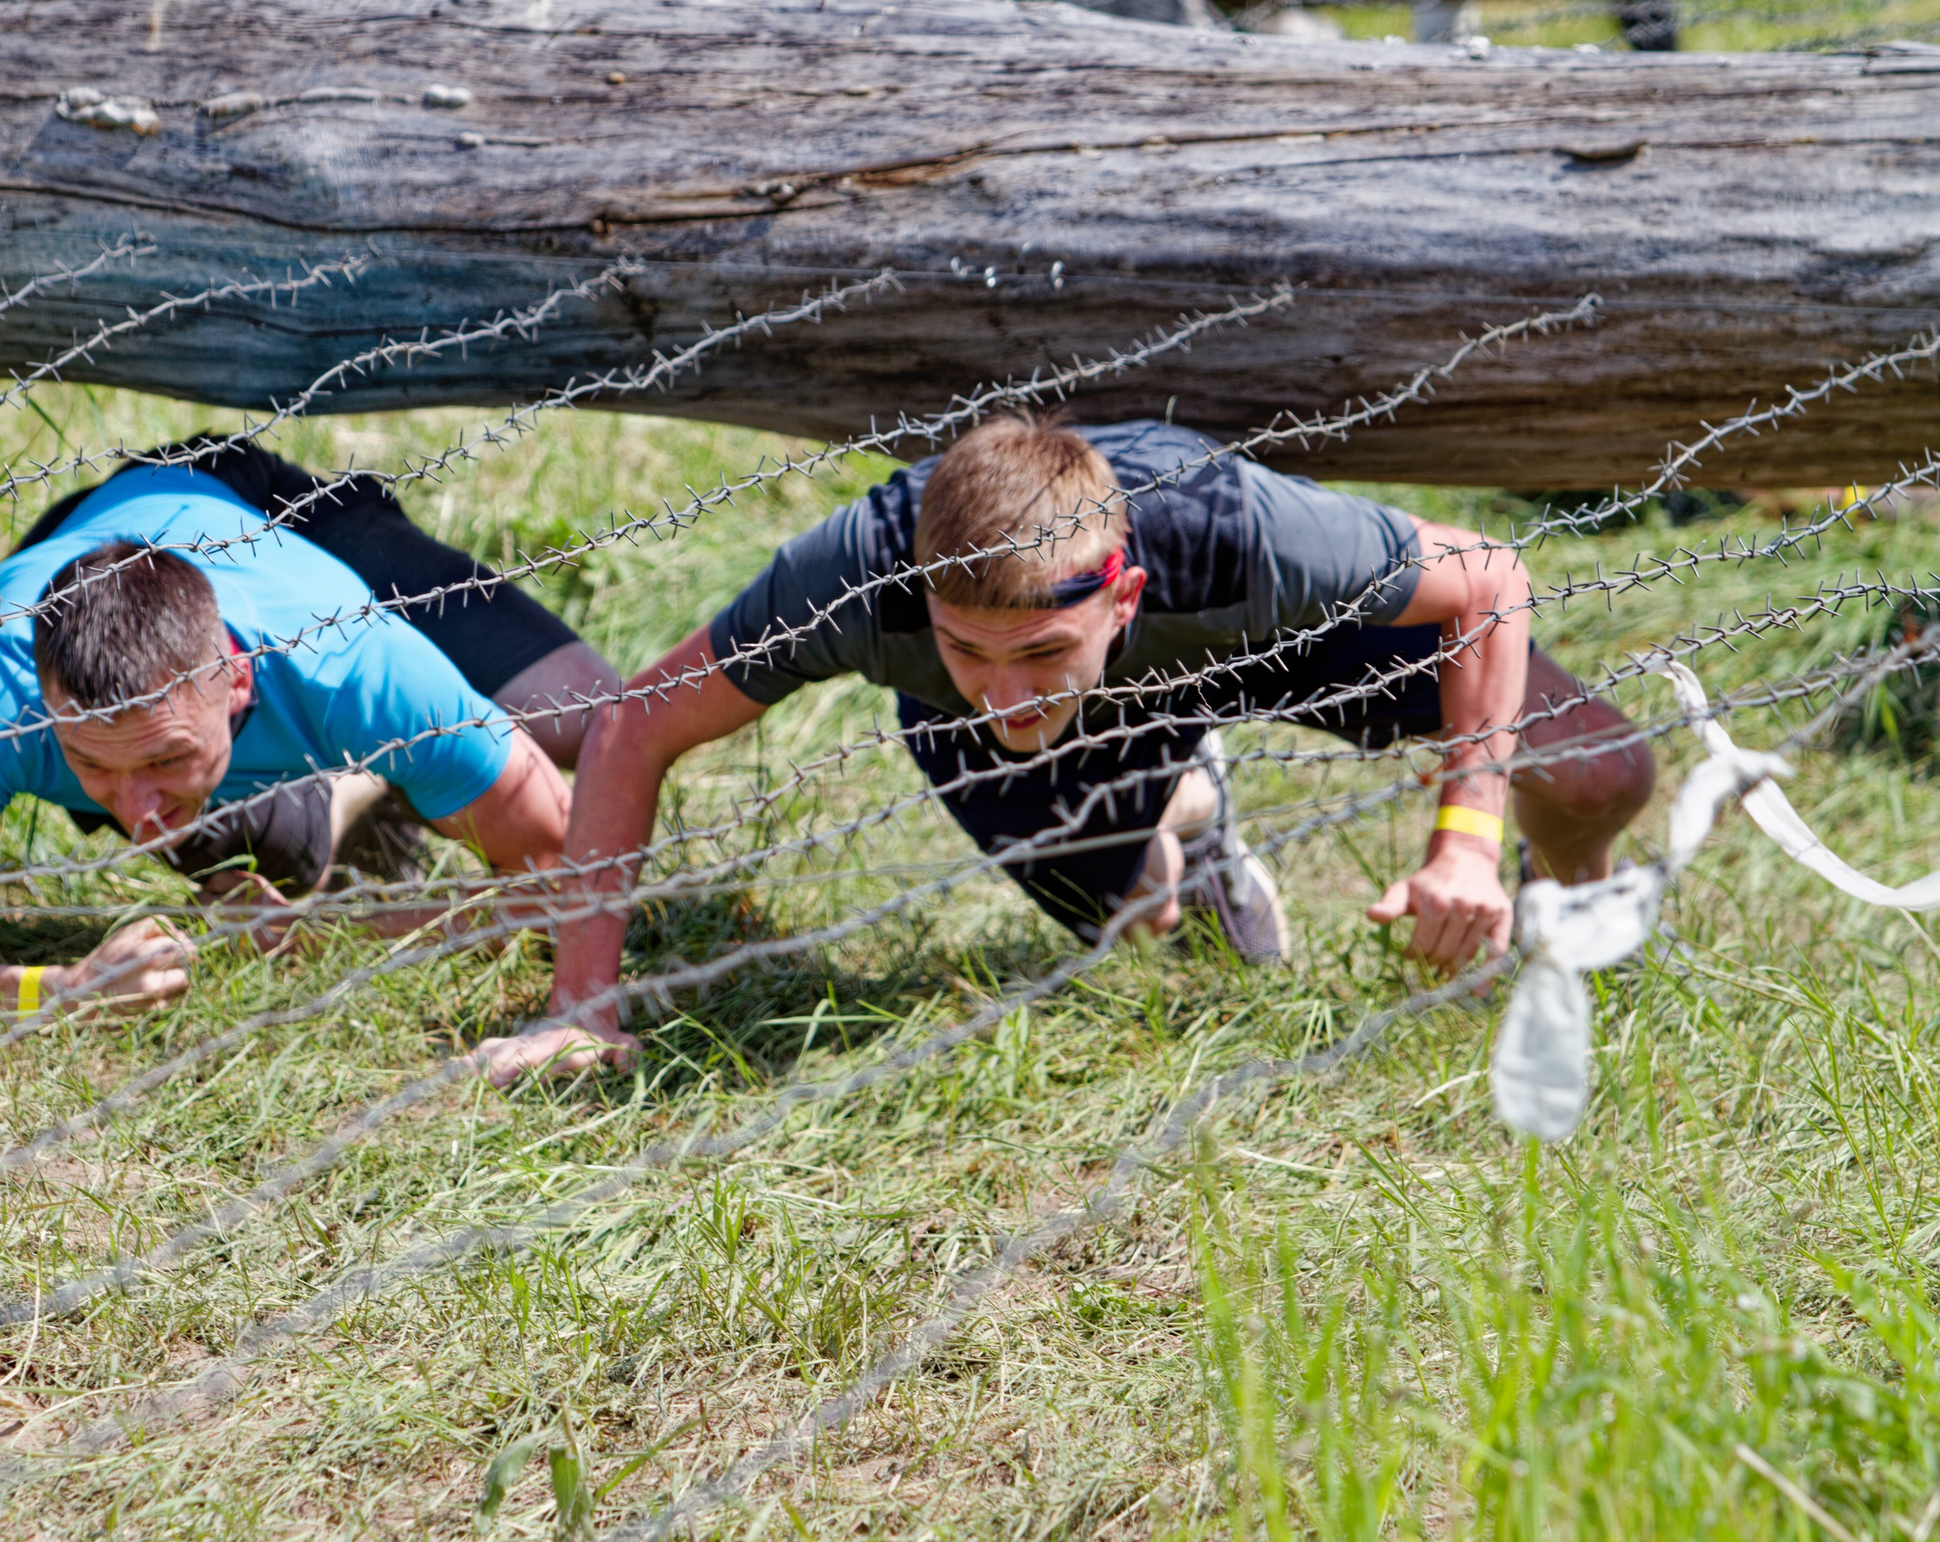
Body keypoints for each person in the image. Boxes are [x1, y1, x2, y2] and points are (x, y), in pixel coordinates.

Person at [478, 413, 1655, 1085]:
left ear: (1121, 590)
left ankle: (1566, 928)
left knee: (1602, 771)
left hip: (1253, 641)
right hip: (1052, 764)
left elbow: (1490, 580)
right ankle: (1181, 831)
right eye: (966, 651)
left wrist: (1464, 841)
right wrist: (582, 1007)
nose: (1001, 692)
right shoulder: (850, 583)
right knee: (1123, 903)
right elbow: (638, 720)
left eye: (1037, 652)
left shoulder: (1235, 532)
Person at [0, 441, 621, 1017]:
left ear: (236, 683)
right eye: (89, 764)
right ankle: (326, 793)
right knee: (259, 856)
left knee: (588, 717)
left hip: (276, 514)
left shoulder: (353, 658)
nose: (138, 811)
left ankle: (374, 767)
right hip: (107, 548)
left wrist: (383, 925)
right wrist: (55, 991)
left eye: (166, 756)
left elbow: (564, 873)